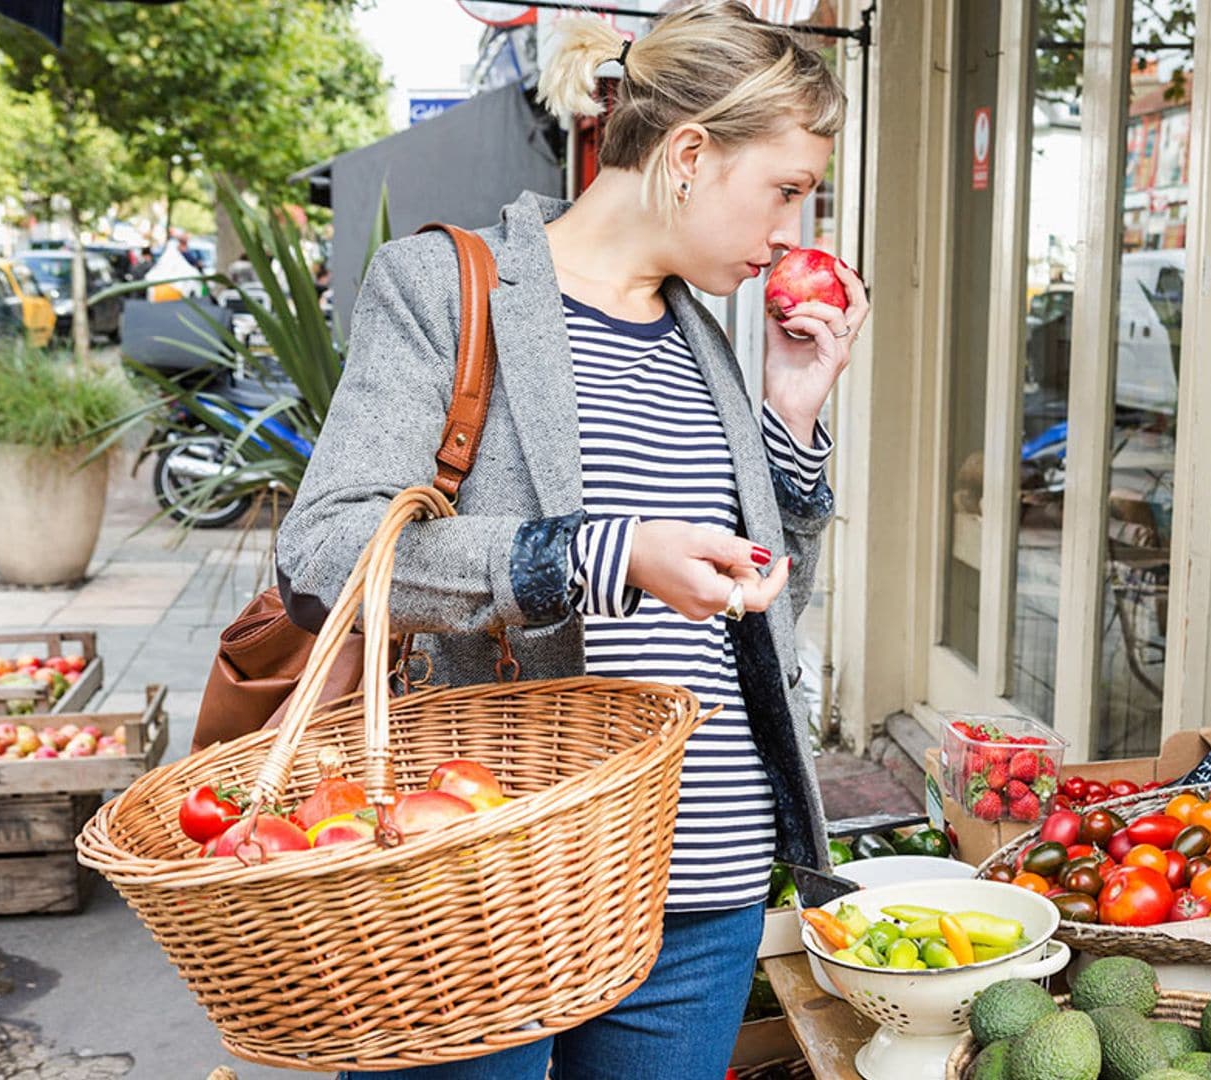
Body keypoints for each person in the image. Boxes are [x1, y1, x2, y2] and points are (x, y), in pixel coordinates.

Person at [271, 4, 861, 1078]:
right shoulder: (448, 290)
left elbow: (768, 610)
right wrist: (597, 556)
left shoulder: (708, 338)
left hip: (703, 880)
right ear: (689, 154)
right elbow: (325, 549)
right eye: (784, 191)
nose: (790, 233)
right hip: (491, 874)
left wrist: (794, 416)